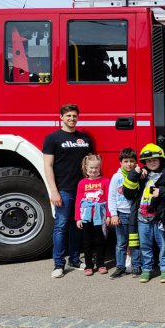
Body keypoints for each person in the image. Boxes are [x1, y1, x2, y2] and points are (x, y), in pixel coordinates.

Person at [43, 103, 92, 278]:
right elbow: (48, 166)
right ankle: (58, 264)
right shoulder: (52, 138)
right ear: (61, 117)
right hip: (63, 190)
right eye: (68, 116)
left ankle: (75, 259)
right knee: (61, 226)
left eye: (74, 116)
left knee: (77, 226)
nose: (72, 119)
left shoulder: (85, 139)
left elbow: (90, 164)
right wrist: (54, 191)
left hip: (82, 191)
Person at [123, 144, 165, 284]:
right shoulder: (141, 175)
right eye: (148, 161)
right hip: (142, 219)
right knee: (145, 246)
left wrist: (163, 193)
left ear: (161, 159)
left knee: (164, 246)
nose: (151, 162)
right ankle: (146, 270)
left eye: (154, 160)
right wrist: (133, 175)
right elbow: (128, 193)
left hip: (160, 219)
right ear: (144, 162)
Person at [74, 154, 111, 276]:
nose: (94, 170)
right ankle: (89, 265)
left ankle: (100, 264)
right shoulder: (82, 183)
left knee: (100, 240)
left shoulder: (105, 181)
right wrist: (78, 218)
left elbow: (108, 199)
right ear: (86, 168)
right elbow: (78, 201)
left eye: (96, 168)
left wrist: (109, 215)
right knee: (87, 242)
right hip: (86, 217)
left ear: (100, 168)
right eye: (91, 168)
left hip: (100, 217)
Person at [108, 147, 141, 279]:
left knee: (135, 242)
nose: (129, 164)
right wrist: (113, 214)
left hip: (135, 214)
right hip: (121, 214)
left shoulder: (139, 175)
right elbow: (111, 196)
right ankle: (120, 267)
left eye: (132, 161)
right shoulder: (116, 177)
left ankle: (137, 267)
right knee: (121, 243)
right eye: (126, 161)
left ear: (136, 162)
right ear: (120, 163)